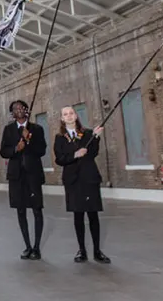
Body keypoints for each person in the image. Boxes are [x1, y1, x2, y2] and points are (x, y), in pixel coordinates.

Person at [53, 106, 111, 264]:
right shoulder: (60, 138)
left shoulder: (86, 134)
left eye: (71, 113)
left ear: (76, 115)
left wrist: (97, 137)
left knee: (93, 215)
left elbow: (92, 153)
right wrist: (74, 155)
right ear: (62, 118)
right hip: (73, 181)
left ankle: (97, 251)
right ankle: (82, 250)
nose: (69, 116)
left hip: (89, 178)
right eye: (65, 114)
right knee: (78, 216)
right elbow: (59, 159)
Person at [0, 100, 47, 260]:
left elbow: (42, 150)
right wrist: (15, 149)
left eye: (21, 108)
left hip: (33, 175)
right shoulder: (8, 129)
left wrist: (29, 140)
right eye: (15, 109)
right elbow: (3, 151)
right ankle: (27, 246)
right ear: (12, 113)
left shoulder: (37, 128)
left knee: (37, 209)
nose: (18, 110)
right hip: (16, 176)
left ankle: (36, 247)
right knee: (20, 210)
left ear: (26, 110)